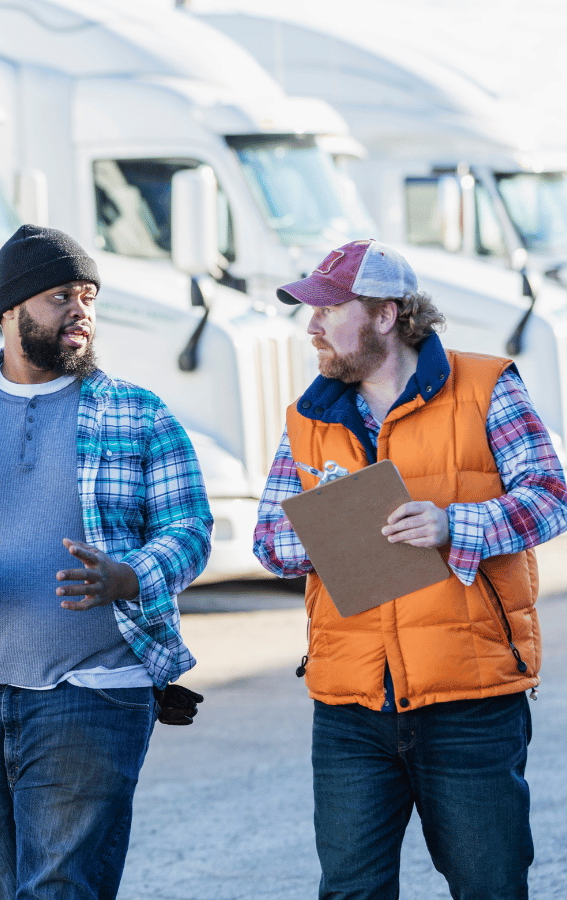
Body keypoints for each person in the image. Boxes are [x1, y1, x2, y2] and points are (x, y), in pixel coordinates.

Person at [0, 224, 212, 900]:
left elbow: (189, 529)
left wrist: (128, 576)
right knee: (8, 888)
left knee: (55, 887)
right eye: (61, 297)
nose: (80, 311)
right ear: (10, 310)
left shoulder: (138, 414)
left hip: (92, 691)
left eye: (88, 297)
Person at [254, 238, 567, 900]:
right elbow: (269, 542)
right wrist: (326, 530)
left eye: (328, 310)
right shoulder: (308, 417)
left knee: (491, 887)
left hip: (470, 699)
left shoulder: (486, 386)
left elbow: (549, 497)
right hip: (349, 706)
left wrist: (457, 524)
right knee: (351, 893)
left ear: (386, 314)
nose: (309, 326)